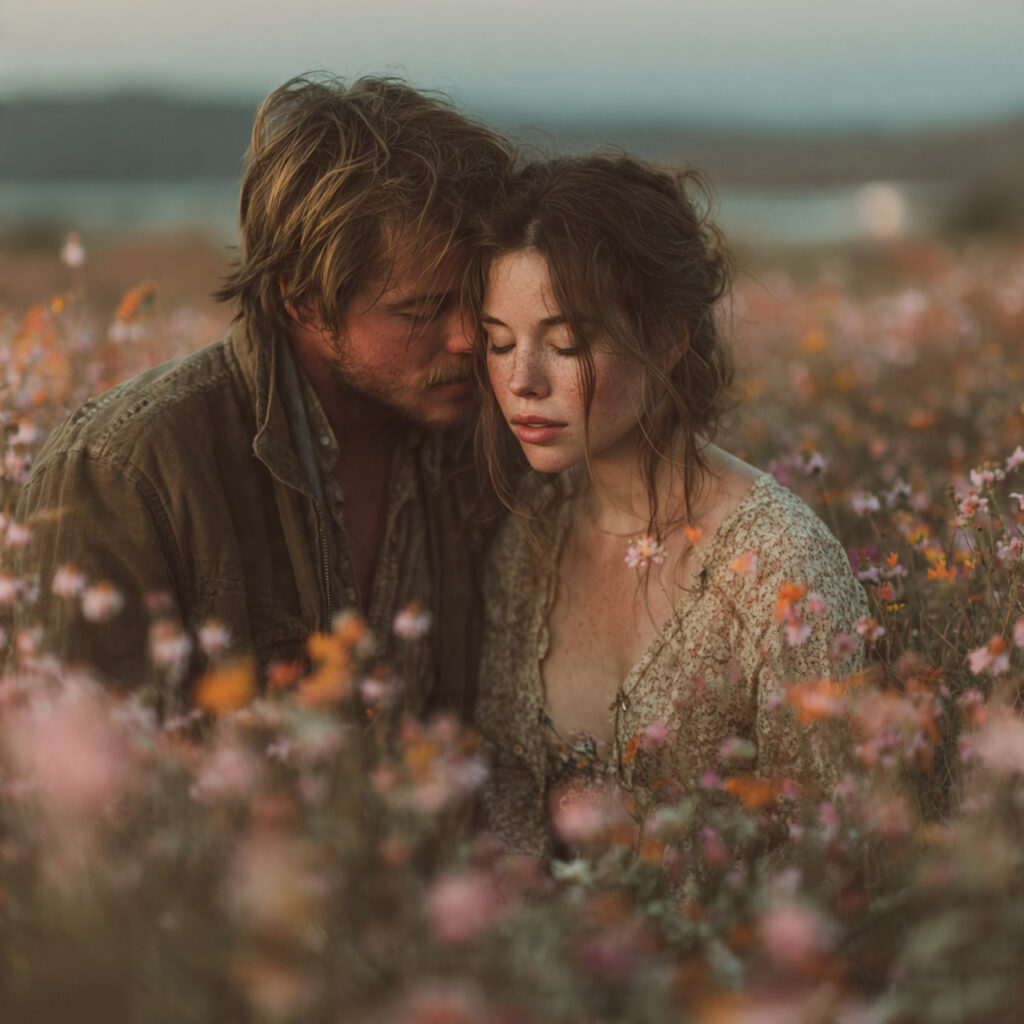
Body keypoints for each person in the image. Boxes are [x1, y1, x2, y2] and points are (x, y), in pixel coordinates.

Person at [7, 74, 511, 716]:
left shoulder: (498, 434)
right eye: (422, 311)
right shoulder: (122, 473)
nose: (471, 337)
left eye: (479, 299)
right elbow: (79, 784)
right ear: (300, 296)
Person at [471, 155, 868, 858]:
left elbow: (837, 852)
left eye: (565, 343)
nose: (520, 381)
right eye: (499, 342)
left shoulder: (778, 565)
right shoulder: (528, 537)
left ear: (668, 336)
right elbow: (503, 796)